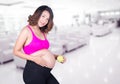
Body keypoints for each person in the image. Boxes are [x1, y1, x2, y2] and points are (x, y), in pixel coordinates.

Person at [13, 5, 66, 84]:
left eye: (47, 19)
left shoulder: (43, 32)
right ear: (37, 14)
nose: (44, 20)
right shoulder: (27, 30)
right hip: (33, 72)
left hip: (45, 72)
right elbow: (16, 51)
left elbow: (44, 52)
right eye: (43, 16)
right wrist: (34, 59)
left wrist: (56, 57)